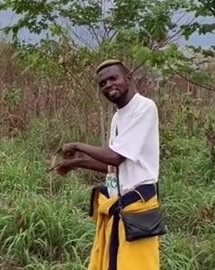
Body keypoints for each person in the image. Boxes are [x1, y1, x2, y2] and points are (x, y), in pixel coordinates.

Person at [53, 59, 162, 270]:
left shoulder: (144, 107)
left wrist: (77, 146)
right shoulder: (118, 117)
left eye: (114, 78)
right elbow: (113, 167)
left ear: (128, 78)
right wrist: (76, 163)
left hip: (138, 205)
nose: (108, 85)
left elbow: (114, 157)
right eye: (102, 83)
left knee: (136, 265)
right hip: (119, 205)